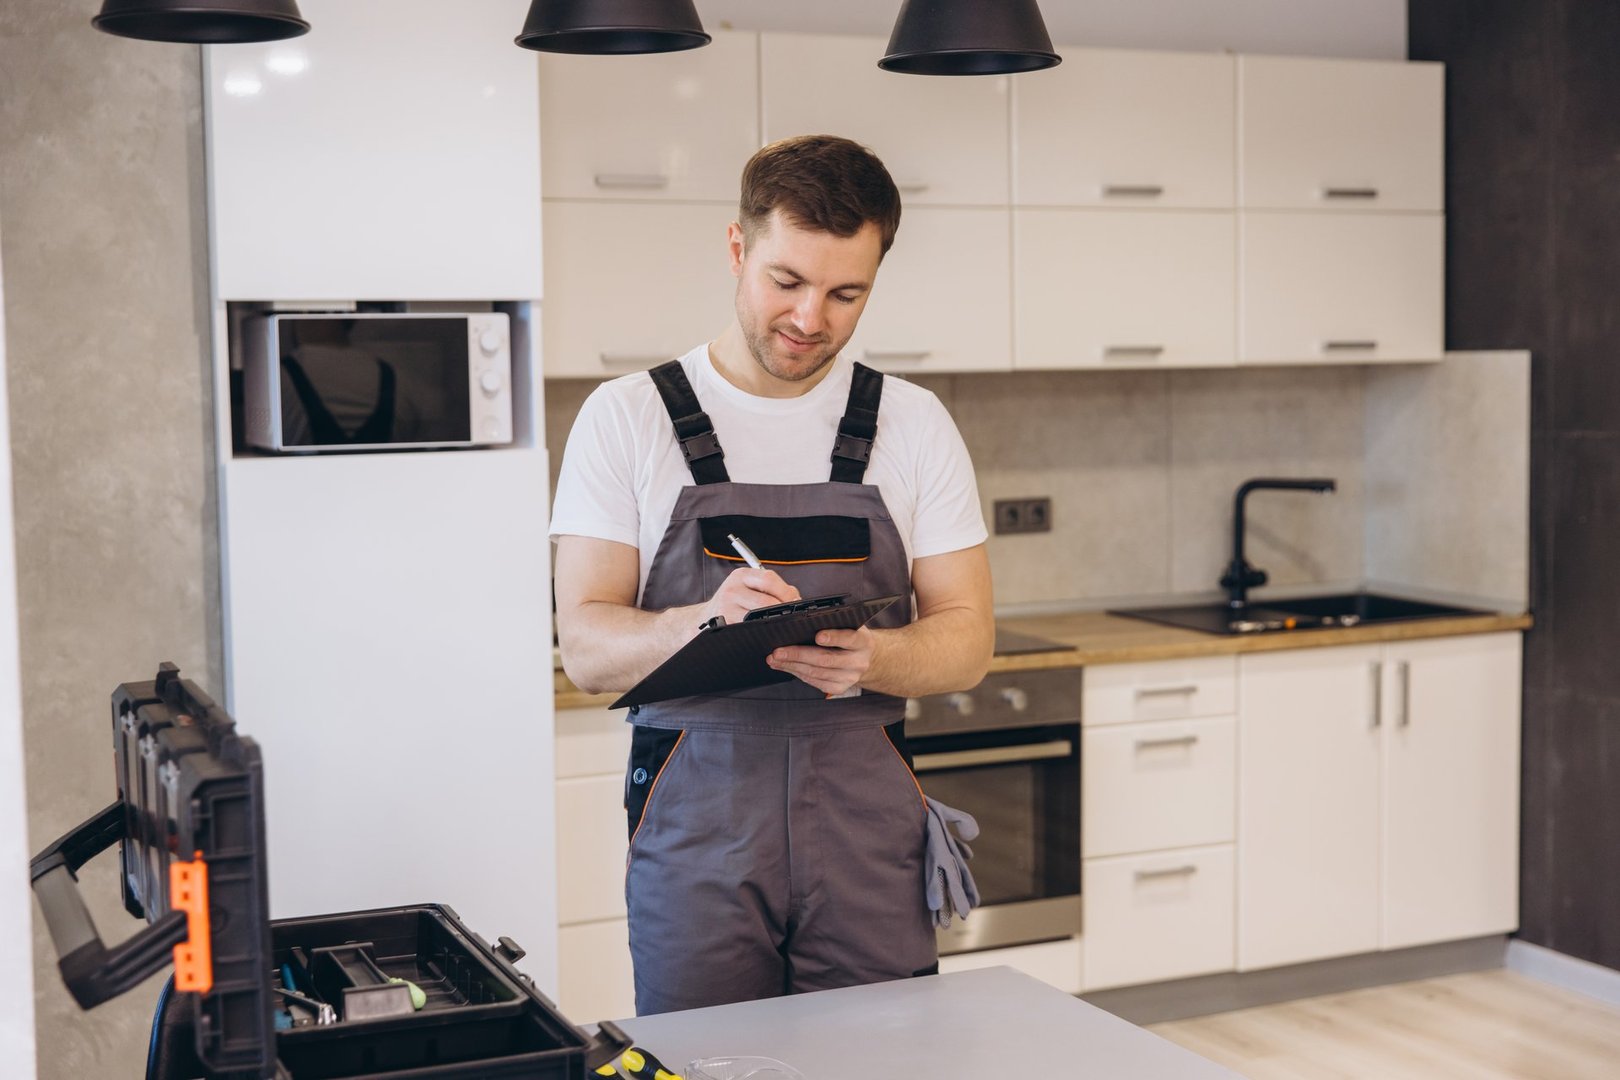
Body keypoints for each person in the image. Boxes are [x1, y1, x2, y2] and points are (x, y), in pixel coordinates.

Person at [549, 134, 994, 1016]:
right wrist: (699, 623)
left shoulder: (913, 423)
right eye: (786, 282)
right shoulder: (628, 419)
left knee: (881, 1056)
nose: (810, 318)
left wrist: (875, 659)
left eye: (845, 293)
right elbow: (586, 649)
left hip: (867, 827)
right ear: (737, 248)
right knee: (704, 1059)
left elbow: (968, 641)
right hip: (698, 828)